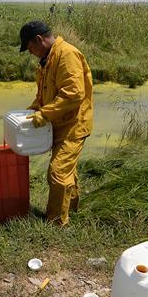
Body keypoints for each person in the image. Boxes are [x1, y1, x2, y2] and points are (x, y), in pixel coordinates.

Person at [19, 20, 93, 226]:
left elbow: (74, 95)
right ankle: (73, 208)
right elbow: (44, 93)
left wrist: (45, 114)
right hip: (59, 123)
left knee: (58, 172)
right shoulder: (47, 59)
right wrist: (34, 109)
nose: (30, 52)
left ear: (38, 40)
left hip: (73, 125)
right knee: (67, 169)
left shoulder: (66, 55)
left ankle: (56, 223)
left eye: (29, 47)